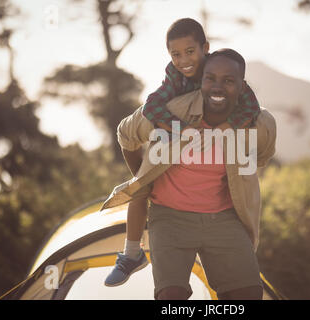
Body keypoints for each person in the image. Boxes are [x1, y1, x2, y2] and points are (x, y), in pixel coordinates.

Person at [103, 48, 277, 299]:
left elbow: (262, 157)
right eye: (210, 78)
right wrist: (143, 180)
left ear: (242, 86)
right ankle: (132, 254)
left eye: (228, 81)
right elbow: (126, 134)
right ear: (201, 80)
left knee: (248, 294)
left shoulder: (260, 123)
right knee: (172, 298)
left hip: (225, 219)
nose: (217, 87)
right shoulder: (171, 111)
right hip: (170, 218)